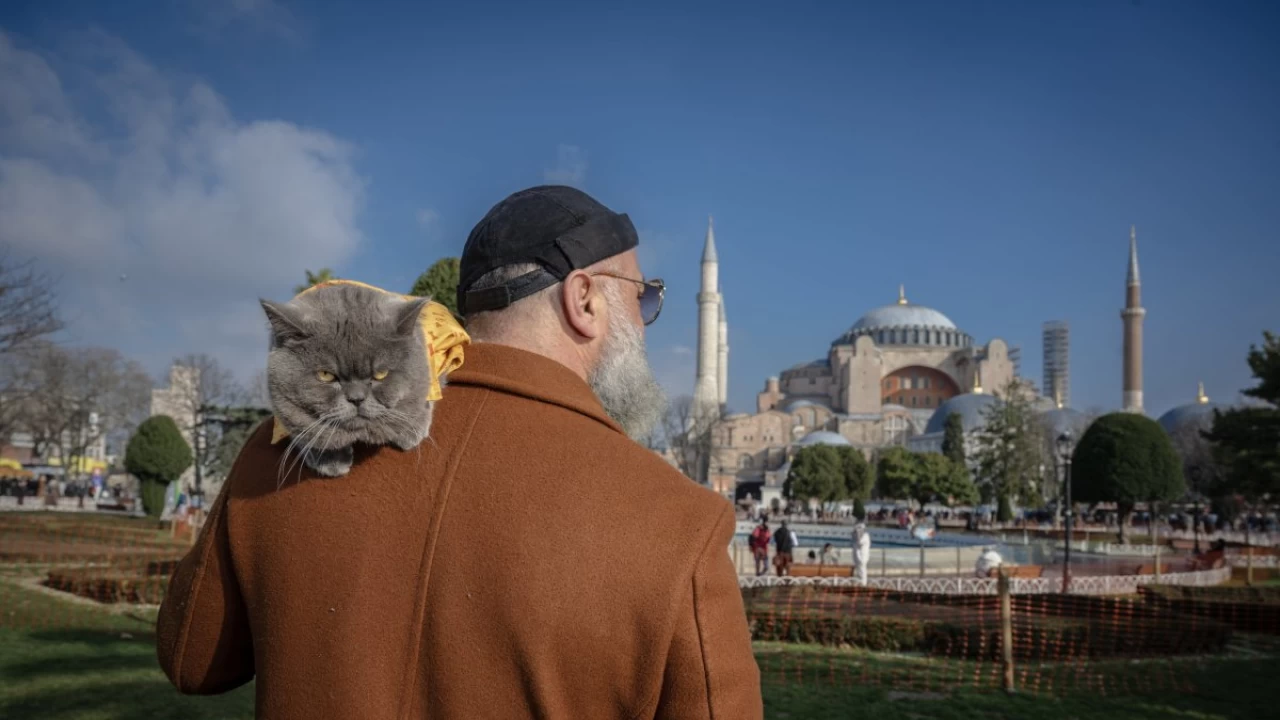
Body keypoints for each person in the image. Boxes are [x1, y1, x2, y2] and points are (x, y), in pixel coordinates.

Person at [155, 185, 762, 719]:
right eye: (643, 298)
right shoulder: (678, 521)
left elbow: (192, 661)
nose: (648, 316)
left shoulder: (283, 454)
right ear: (585, 301)